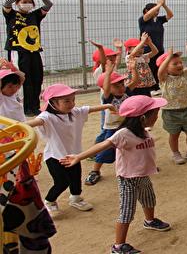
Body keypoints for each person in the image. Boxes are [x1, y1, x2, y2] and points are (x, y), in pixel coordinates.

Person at [59, 95, 171, 254]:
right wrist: (79, 156)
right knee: (127, 211)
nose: (157, 115)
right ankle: (118, 246)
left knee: (149, 199)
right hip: (128, 179)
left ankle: (150, 220)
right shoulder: (123, 134)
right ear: (143, 117)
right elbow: (104, 144)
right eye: (155, 113)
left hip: (143, 175)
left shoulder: (141, 130)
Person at [25, 84, 113, 216]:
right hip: (55, 157)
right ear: (53, 103)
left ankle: (75, 198)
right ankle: (49, 201)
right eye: (66, 101)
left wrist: (107, 106)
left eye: (73, 100)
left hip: (74, 155)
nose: (71, 104)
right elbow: (34, 122)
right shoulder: (47, 117)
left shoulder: (75, 113)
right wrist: (18, 126)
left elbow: (90, 109)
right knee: (62, 182)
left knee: (76, 178)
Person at [84, 59, 139, 186]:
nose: (120, 88)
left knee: (134, 147)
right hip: (113, 128)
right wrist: (108, 73)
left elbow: (135, 81)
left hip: (127, 126)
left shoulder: (127, 92)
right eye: (116, 86)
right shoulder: (108, 97)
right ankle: (95, 171)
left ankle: (138, 167)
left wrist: (134, 69)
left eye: (121, 84)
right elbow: (107, 88)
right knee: (106, 150)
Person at [3, 0, 53, 116]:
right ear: (17, 3)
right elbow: (7, 2)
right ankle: (24, 108)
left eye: (28, 1)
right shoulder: (11, 14)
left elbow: (49, 5)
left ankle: (34, 107)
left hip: (34, 51)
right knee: (23, 79)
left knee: (37, 78)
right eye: (23, 1)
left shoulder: (34, 15)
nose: (26, 3)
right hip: (18, 52)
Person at [156, 43, 187, 164]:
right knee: (174, 134)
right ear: (166, 66)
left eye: (180, 62)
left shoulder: (185, 74)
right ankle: (175, 153)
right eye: (175, 63)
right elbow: (160, 72)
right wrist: (167, 58)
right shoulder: (164, 79)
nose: (180, 65)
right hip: (171, 112)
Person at [138, 0, 173, 93]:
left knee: (158, 68)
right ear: (146, 11)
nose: (157, 11)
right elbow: (148, 15)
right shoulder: (143, 20)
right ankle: (149, 88)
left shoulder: (159, 20)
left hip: (159, 48)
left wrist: (164, 5)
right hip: (147, 50)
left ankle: (156, 86)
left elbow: (170, 15)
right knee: (149, 68)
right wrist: (159, 5)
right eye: (154, 10)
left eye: (158, 10)